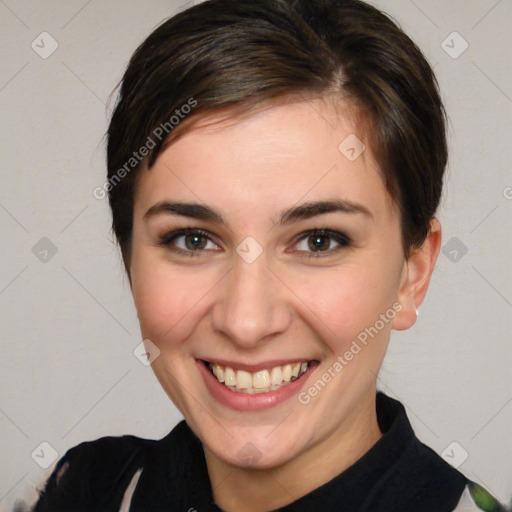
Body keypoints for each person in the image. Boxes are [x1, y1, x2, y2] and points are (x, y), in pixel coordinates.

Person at [26, 0, 509, 510]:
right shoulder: (77, 490)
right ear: (130, 259)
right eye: (193, 240)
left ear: (413, 274)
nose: (247, 322)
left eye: (319, 240)